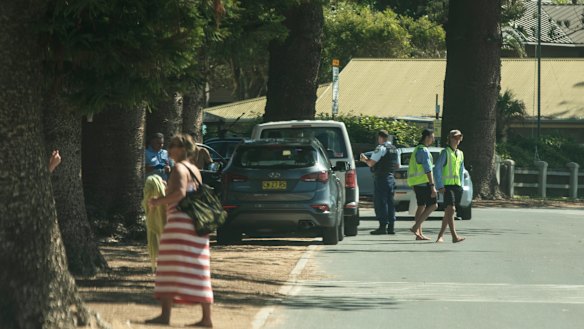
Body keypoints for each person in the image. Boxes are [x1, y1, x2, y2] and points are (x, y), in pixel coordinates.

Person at [146, 134, 214, 327]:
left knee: (168, 266)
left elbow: (179, 194)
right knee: (198, 268)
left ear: (182, 149)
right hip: (196, 225)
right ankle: (205, 317)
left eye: (173, 145)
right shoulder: (194, 169)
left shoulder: (178, 168)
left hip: (180, 224)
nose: (169, 148)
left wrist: (156, 201)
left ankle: (165, 315)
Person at [360, 130, 399, 235]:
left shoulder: (380, 148)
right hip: (391, 178)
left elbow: (371, 163)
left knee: (381, 202)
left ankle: (382, 226)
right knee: (390, 203)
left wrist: (364, 160)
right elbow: (397, 166)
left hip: (381, 178)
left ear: (380, 138)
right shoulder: (394, 149)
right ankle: (391, 227)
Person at [434, 129, 466, 243]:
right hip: (447, 186)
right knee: (451, 209)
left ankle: (440, 236)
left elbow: (461, 169)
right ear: (451, 138)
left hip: (457, 186)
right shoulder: (445, 152)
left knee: (449, 212)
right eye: (456, 137)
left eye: (460, 137)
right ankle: (454, 236)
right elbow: (437, 168)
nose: (458, 140)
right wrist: (439, 185)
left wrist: (461, 184)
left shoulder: (460, 153)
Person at [407, 129, 438, 241]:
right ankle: (415, 227)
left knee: (421, 206)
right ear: (427, 137)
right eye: (432, 137)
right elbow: (428, 169)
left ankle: (419, 234)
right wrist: (432, 185)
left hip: (416, 182)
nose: (433, 139)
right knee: (434, 205)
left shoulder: (417, 149)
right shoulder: (423, 151)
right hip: (423, 182)